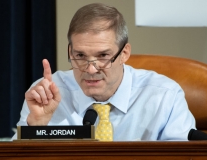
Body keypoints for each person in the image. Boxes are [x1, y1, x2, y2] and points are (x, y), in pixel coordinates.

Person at [12, 3, 196, 141]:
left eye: (103, 56)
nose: (91, 69)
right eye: (80, 55)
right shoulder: (46, 94)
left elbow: (186, 156)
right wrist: (35, 127)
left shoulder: (165, 97)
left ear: (124, 53)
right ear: (70, 52)